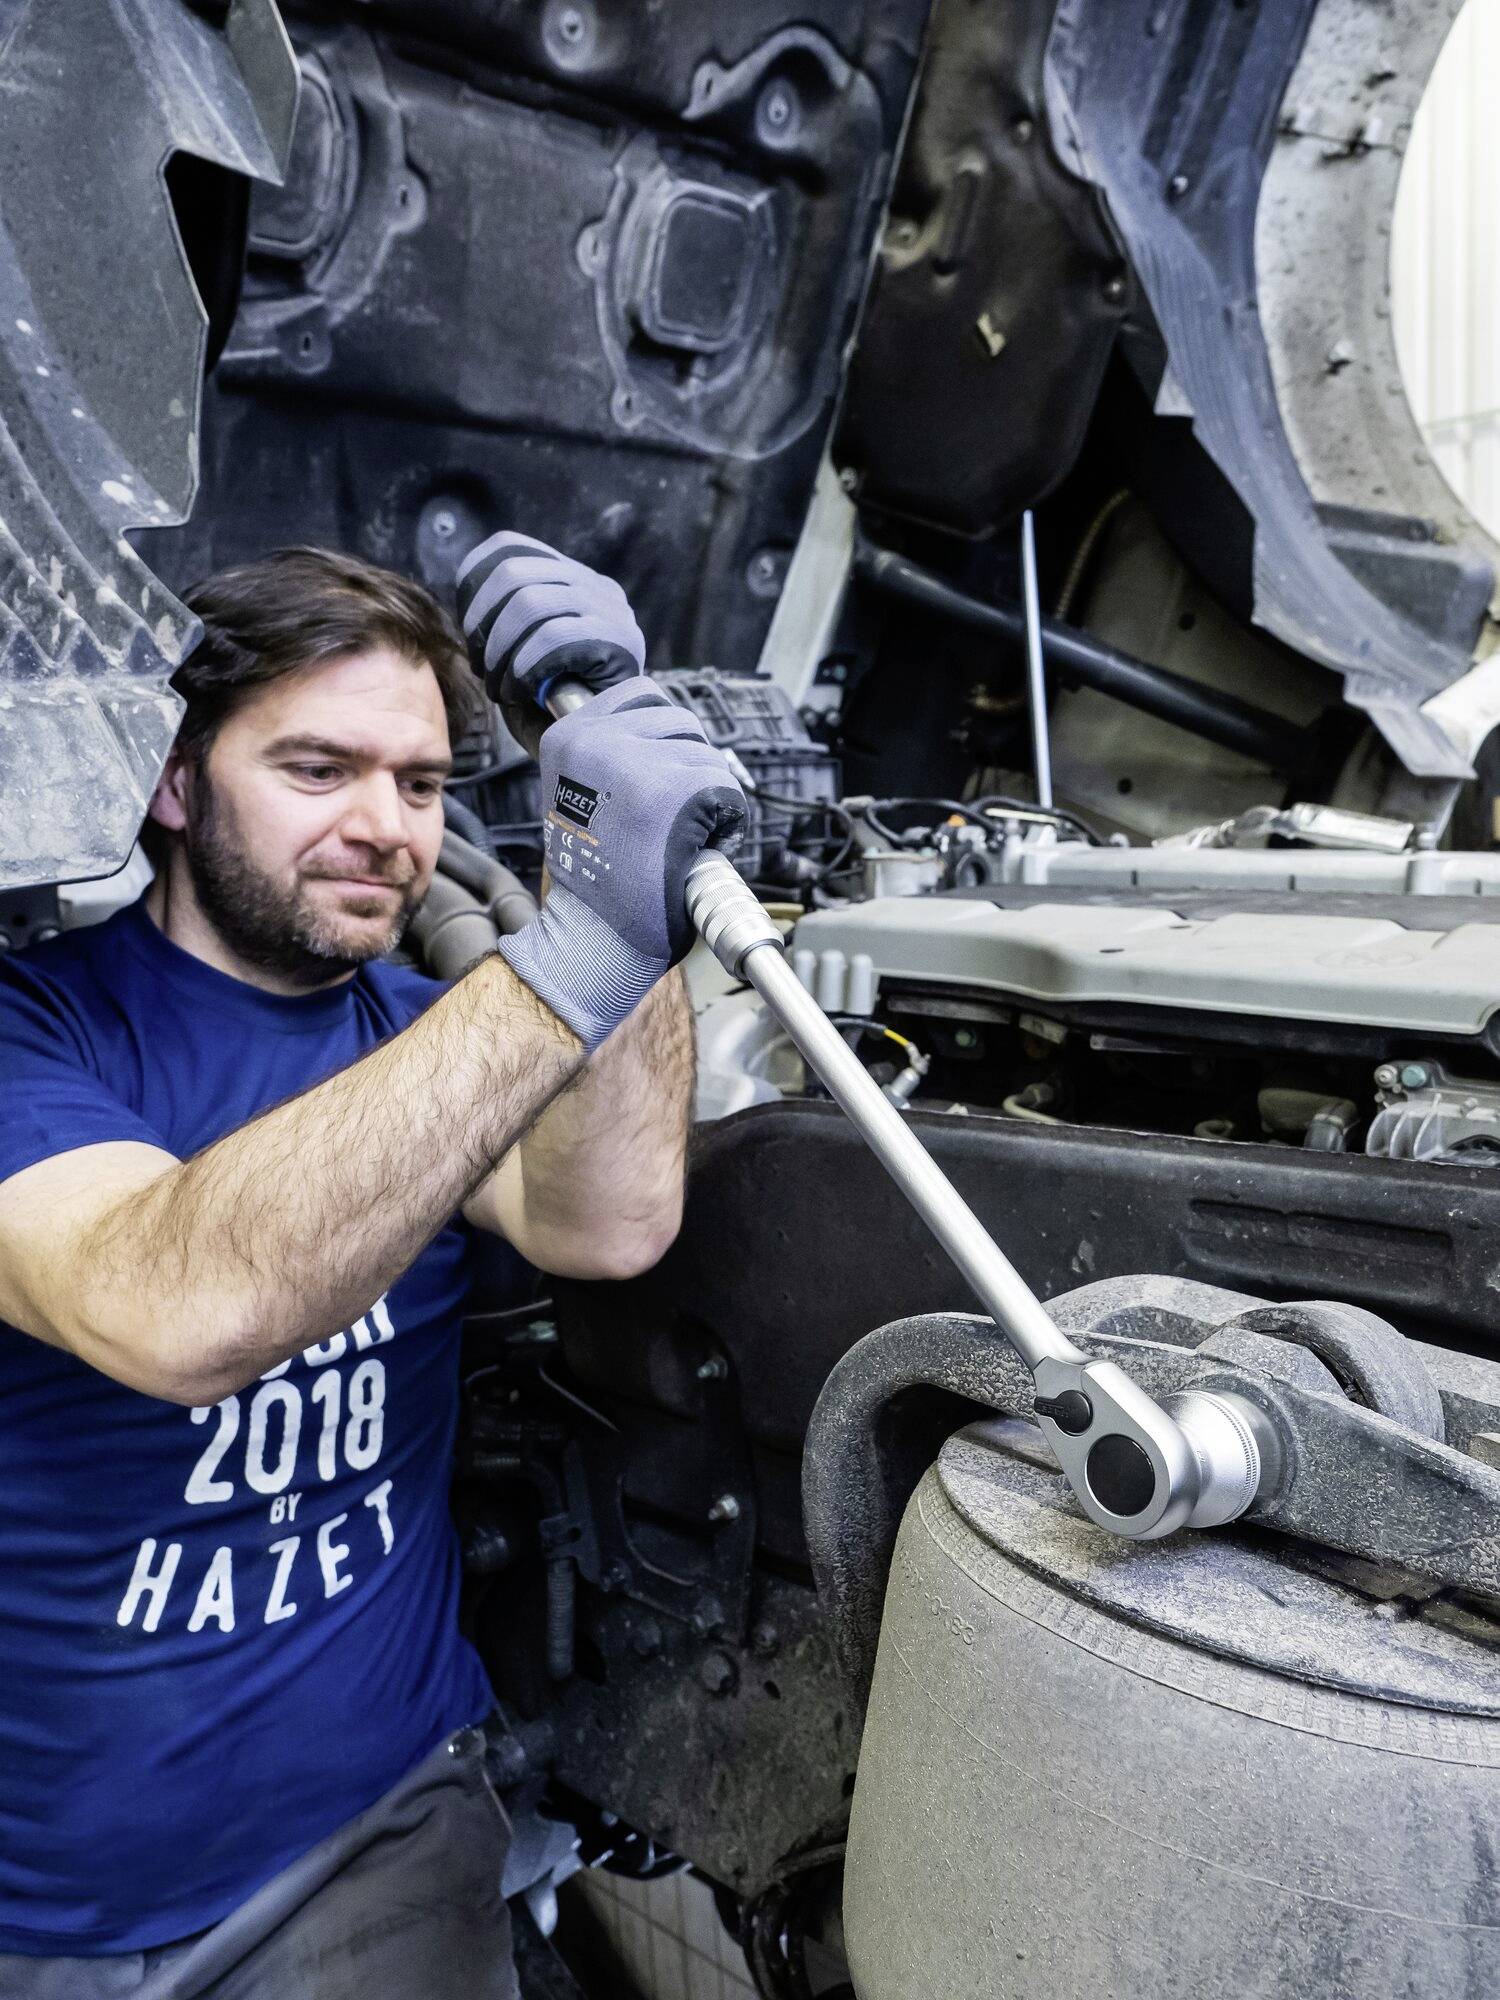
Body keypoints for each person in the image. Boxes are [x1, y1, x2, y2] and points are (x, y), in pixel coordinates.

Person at [0, 538, 745, 1997]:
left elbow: (608, 1221)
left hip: (373, 1840)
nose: (385, 827)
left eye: (420, 784)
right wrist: (568, 955)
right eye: (318, 769)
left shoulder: (435, 1035)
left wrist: (621, 883)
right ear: (173, 781)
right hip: (42, 1896)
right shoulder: (37, 1034)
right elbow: (171, 1305)